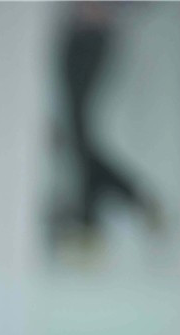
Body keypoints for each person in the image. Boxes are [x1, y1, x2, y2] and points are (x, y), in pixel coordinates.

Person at [59, 2, 164, 236]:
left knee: (78, 133)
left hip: (94, 36)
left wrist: (109, 9)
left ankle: (92, 214)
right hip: (76, 33)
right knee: (77, 133)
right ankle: (103, 208)